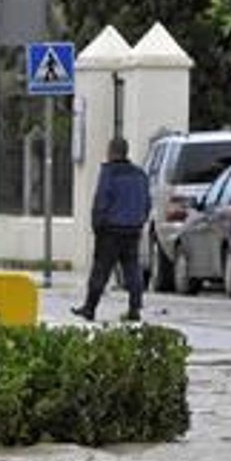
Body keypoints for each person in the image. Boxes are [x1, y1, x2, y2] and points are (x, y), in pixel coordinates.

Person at [73, 136, 150, 322]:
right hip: (133, 230)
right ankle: (134, 308)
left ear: (111, 152)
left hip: (110, 231)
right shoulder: (140, 175)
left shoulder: (109, 173)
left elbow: (101, 201)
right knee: (132, 269)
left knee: (101, 270)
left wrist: (97, 226)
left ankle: (90, 308)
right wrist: (139, 221)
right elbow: (146, 203)